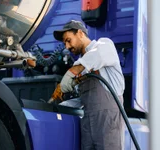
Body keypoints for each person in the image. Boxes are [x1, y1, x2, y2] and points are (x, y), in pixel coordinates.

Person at [53, 20, 125, 150]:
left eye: (68, 40)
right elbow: (86, 98)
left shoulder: (104, 45)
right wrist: (58, 106)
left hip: (107, 121)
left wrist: (72, 73)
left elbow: (96, 55)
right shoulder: (84, 64)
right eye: (64, 43)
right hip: (88, 121)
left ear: (80, 33)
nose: (67, 47)